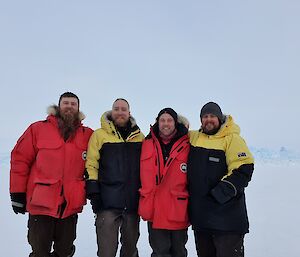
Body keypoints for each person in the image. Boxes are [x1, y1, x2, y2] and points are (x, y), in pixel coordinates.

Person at [10, 92, 93, 257]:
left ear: (78, 108)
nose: (69, 106)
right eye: (66, 103)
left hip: (70, 205)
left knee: (65, 251)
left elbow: (96, 163)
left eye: (73, 104)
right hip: (41, 204)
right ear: (58, 106)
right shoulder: (38, 129)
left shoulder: (87, 135)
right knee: (40, 251)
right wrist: (17, 193)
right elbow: (20, 160)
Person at [188, 102, 254, 257]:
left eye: (212, 116)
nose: (208, 120)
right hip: (202, 219)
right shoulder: (195, 138)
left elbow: (243, 169)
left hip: (227, 219)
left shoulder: (232, 139)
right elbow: (173, 131)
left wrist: (219, 195)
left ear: (219, 118)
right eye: (205, 116)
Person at [85, 98, 144, 257]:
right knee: (106, 251)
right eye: (116, 109)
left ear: (129, 113)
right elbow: (91, 164)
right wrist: (94, 193)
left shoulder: (139, 137)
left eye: (123, 109)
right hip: (107, 204)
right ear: (112, 112)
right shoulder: (99, 135)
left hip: (132, 204)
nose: (120, 112)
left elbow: (146, 168)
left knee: (130, 251)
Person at [139, 108, 190, 257]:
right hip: (155, 209)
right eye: (162, 120)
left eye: (169, 120)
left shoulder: (188, 143)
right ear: (157, 122)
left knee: (179, 252)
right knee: (159, 252)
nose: (165, 124)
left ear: (175, 122)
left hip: (178, 209)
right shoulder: (146, 143)